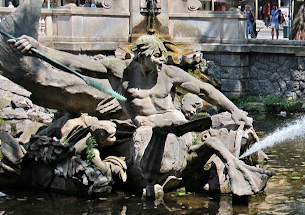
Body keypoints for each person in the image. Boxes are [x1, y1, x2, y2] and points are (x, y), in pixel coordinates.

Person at [8, 34, 268, 196]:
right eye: (156, 58)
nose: (161, 62)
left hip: (176, 127)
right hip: (145, 131)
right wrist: (38, 48)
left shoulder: (168, 73)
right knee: (144, 132)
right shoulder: (119, 71)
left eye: (163, 58)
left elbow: (204, 89)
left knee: (183, 126)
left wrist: (234, 109)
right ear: (142, 56)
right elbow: (76, 64)